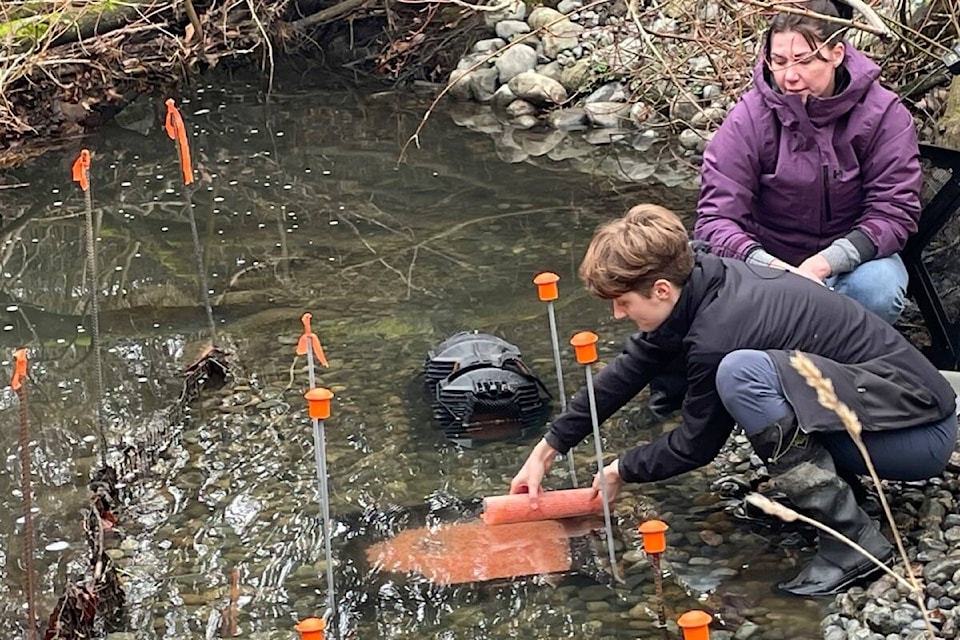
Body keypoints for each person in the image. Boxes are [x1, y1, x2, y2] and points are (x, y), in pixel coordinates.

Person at [510, 204, 958, 597]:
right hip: (888, 410)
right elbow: (629, 368)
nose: (617, 315)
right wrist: (548, 448)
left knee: (742, 376)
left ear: (661, 289)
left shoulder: (718, 334)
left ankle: (852, 541)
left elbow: (695, 445)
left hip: (917, 436)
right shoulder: (703, 276)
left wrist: (621, 469)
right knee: (752, 380)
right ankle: (841, 498)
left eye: (623, 303)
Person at [694, 0, 921, 326]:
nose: (790, 76)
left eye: (804, 60)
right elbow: (716, 219)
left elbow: (894, 211)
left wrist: (824, 264)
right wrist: (772, 268)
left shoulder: (884, 114)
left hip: (850, 263)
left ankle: (847, 360)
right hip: (768, 264)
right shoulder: (749, 118)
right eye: (779, 61)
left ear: (837, 55)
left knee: (879, 288)